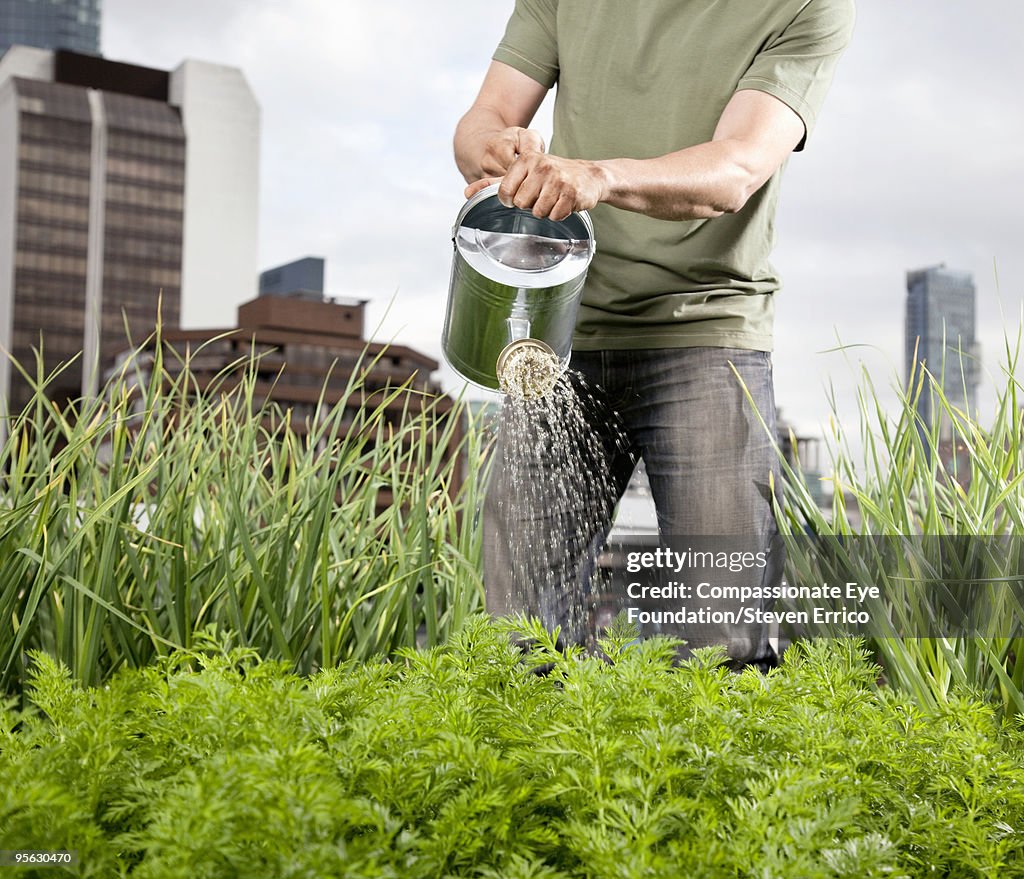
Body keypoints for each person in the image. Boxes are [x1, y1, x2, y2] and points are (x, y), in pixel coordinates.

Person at [454, 0, 855, 668]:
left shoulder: (808, 6)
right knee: (518, 640)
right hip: (560, 335)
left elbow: (734, 171)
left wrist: (600, 176)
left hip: (706, 333)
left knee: (721, 645)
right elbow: (484, 118)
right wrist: (497, 147)